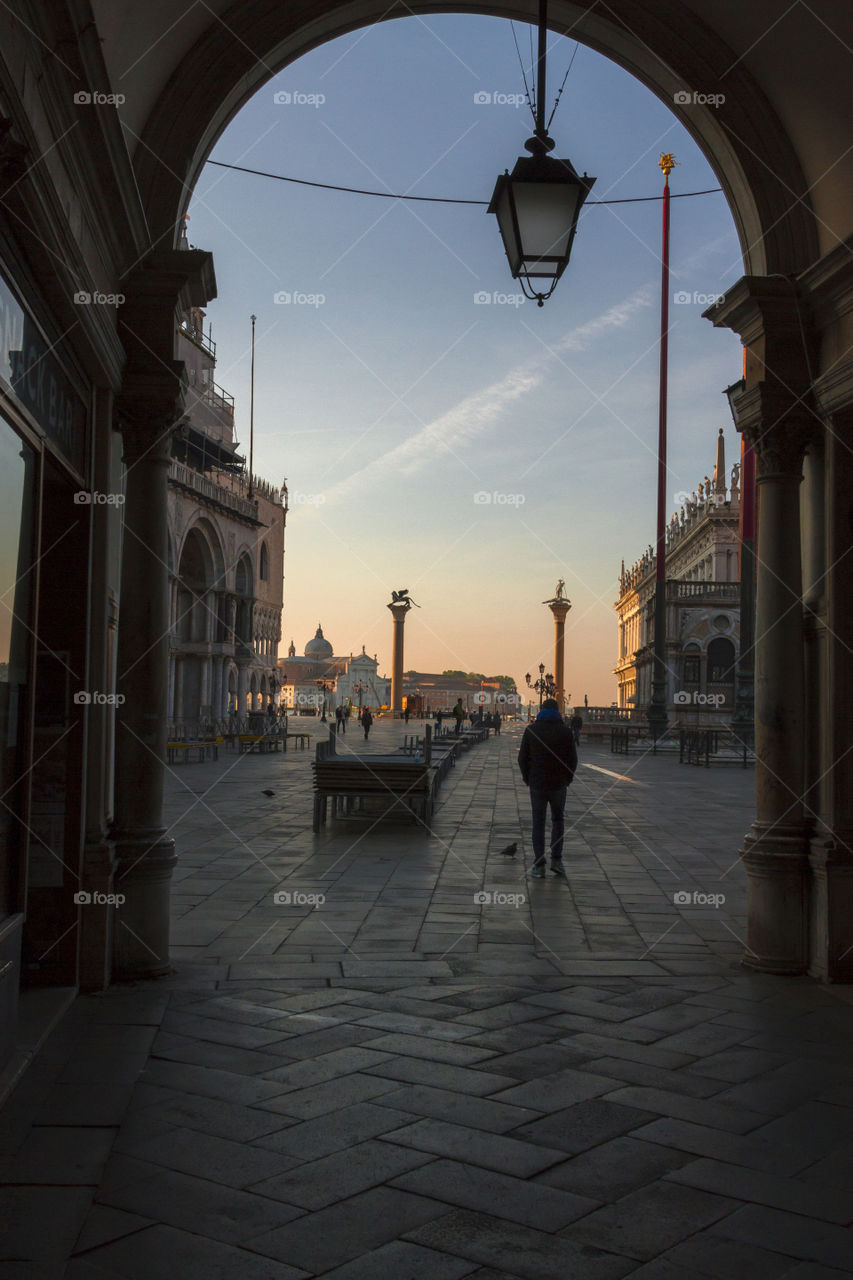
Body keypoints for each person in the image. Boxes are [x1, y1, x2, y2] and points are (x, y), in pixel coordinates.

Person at [517, 697, 578, 878]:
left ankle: (539, 864)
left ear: (541, 710)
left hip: (537, 783)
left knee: (538, 822)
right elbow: (573, 760)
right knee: (558, 821)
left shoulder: (531, 730)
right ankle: (557, 861)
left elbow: (522, 758)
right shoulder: (566, 732)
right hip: (559, 784)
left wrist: (528, 778)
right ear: (558, 711)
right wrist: (568, 778)